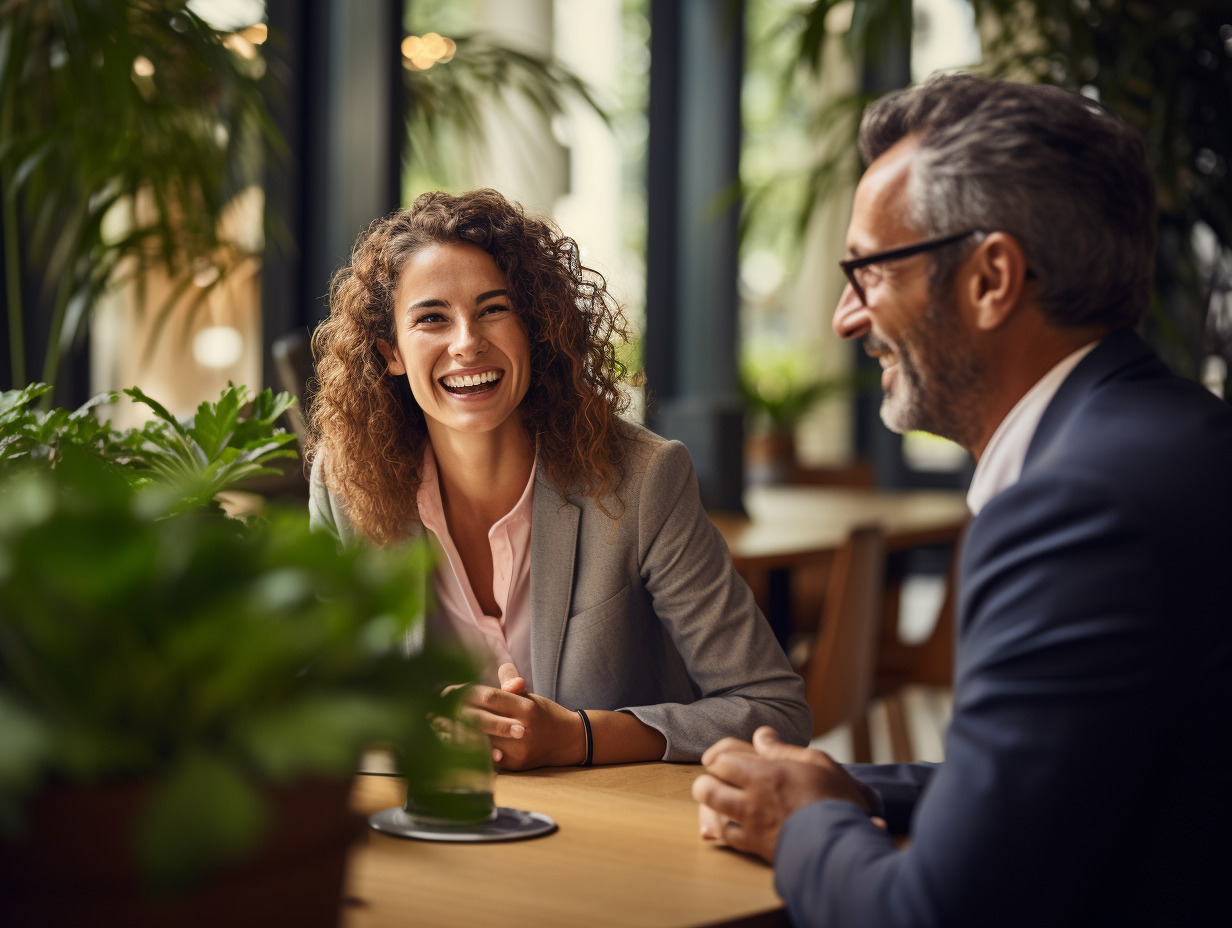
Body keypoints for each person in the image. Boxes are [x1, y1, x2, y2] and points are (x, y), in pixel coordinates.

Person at [692, 73, 1232, 927]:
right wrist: (850, 787)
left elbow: (932, 915)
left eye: (866, 269)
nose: (844, 317)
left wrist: (797, 822)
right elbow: (1067, 775)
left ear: (991, 279)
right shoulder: (1172, 436)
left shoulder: (1077, 510)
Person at [307, 188, 811, 771]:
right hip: (434, 827)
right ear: (389, 351)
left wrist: (578, 736)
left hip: (612, 834)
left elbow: (774, 709)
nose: (467, 342)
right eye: (432, 319)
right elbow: (324, 698)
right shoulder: (346, 484)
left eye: (494, 309)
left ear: (536, 328)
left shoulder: (644, 479)